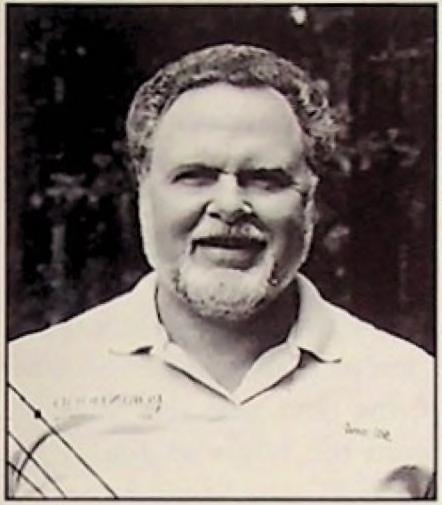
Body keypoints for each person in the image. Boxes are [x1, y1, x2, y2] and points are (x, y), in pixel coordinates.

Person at [8, 44, 434, 499]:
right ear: (143, 191)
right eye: (195, 175)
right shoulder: (25, 386)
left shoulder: (416, 392)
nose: (230, 205)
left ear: (311, 201)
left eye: (265, 178)